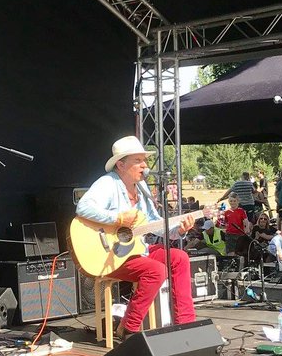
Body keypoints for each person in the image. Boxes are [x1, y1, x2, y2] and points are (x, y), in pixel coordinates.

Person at [76, 136, 197, 338]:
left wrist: (180, 230)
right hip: (112, 256)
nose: (144, 166)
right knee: (156, 270)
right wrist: (118, 218)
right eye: (138, 161)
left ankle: (186, 325)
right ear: (121, 164)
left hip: (137, 251)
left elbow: (156, 224)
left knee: (179, 258)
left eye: (145, 160)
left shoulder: (142, 189)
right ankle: (129, 327)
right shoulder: (107, 183)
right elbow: (83, 207)